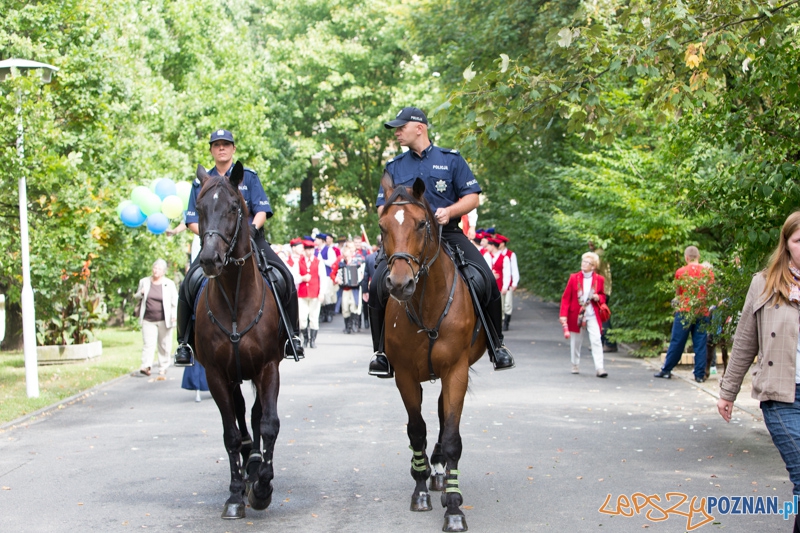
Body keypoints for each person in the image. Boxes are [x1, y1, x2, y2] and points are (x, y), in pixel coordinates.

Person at [368, 106, 515, 377]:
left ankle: (497, 344)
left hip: (448, 234)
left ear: (419, 128)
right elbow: (382, 207)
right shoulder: (393, 168)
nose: (397, 132)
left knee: (485, 278)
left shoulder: (451, 160)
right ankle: (381, 353)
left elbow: (472, 197)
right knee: (378, 283)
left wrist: (450, 211)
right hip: (407, 242)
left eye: (401, 127)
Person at [173, 129, 303, 366]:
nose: (221, 148)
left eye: (226, 144)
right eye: (216, 145)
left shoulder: (248, 177)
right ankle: (184, 344)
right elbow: (192, 219)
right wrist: (211, 237)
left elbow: (262, 209)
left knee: (284, 275)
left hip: (250, 240)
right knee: (188, 283)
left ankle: (292, 336)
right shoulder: (202, 182)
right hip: (216, 245)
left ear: (233, 149)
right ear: (211, 150)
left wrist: (252, 229)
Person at [718, 211, 800, 533]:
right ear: (787, 244)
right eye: (799, 240)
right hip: (781, 398)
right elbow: (743, 343)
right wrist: (727, 392)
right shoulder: (763, 284)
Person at [654, 246, 714, 383]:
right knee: (700, 343)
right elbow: (711, 293)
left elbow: (678, 294)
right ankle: (699, 375)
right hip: (702, 311)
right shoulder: (708, 273)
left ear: (687, 257)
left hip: (684, 311)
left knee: (677, 341)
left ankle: (667, 370)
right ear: (698, 257)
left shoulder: (680, 272)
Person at [559, 252, 608, 377]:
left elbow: (603, 295)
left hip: (592, 314)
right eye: (583, 261)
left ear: (593, 266)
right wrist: (563, 314)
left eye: (587, 262)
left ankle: (600, 368)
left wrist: (599, 297)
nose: (584, 264)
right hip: (576, 314)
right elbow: (566, 298)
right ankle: (575, 364)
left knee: (596, 339)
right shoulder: (574, 278)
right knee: (576, 341)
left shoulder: (599, 279)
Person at [133, 259, 179, 377]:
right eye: (155, 268)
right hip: (148, 319)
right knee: (148, 344)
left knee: (164, 345)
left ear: (163, 271)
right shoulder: (144, 282)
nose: (156, 270)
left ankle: (163, 366)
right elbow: (136, 296)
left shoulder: (169, 283)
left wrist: (174, 315)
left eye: (159, 269)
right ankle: (146, 366)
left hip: (165, 319)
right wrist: (141, 293)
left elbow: (175, 301)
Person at [295, 239, 326, 348]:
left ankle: (313, 340)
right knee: (302, 318)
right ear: (304, 250)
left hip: (314, 293)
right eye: (307, 249)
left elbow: (323, 278)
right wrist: (302, 278)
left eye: (311, 249)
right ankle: (305, 339)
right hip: (302, 294)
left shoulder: (318, 261)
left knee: (314, 317)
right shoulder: (299, 261)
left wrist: (321, 293)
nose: (309, 252)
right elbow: (294, 277)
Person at [588, 240, 617, 352]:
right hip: (604, 289)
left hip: (601, 290)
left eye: (592, 241)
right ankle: (601, 342)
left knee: (602, 316)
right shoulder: (601, 253)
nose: (589, 243)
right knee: (599, 316)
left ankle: (610, 343)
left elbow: (593, 270)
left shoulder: (598, 254)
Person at [335, 243, 365, 334]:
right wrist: (338, 279)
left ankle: (354, 325)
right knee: (345, 308)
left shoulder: (357, 263)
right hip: (345, 289)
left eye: (346, 254)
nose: (345, 256)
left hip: (355, 289)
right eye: (344, 254)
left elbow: (361, 274)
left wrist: (360, 277)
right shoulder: (341, 264)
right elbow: (338, 274)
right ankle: (347, 326)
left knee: (354, 306)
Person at [496, 234, 519, 331]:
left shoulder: (510, 254)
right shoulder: (497, 254)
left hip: (508, 282)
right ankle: (501, 320)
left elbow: (514, 269)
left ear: (502, 244)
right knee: (501, 303)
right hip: (499, 282)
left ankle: (506, 322)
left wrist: (514, 282)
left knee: (508, 304)